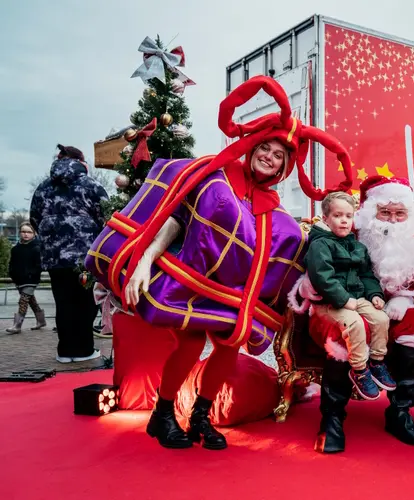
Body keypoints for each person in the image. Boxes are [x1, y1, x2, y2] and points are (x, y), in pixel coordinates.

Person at [119, 76, 353, 450]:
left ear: (284, 167)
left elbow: (281, 256)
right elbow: (177, 215)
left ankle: (200, 416)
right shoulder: (216, 178)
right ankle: (161, 415)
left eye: (279, 156)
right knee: (192, 345)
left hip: (230, 298)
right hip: (188, 284)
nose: (270, 158)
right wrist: (145, 258)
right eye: (266, 149)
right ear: (252, 148)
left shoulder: (275, 213)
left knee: (229, 349)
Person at [296, 176, 414, 452]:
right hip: (346, 304)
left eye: (400, 213)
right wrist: (311, 284)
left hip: (397, 305)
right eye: (385, 212)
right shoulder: (352, 235)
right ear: (371, 213)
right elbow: (321, 267)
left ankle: (400, 413)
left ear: (410, 215)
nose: (393, 220)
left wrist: (405, 298)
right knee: (347, 330)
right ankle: (332, 418)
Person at [305, 191, 394, 400]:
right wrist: (344, 300)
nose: (344, 220)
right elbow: (321, 277)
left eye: (348, 216)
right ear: (325, 219)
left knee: (381, 318)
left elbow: (366, 274)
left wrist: (374, 294)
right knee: (354, 323)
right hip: (330, 302)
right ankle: (359, 369)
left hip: (357, 297)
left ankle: (377, 361)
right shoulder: (320, 245)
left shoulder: (357, 246)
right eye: (337, 216)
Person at [30, 145, 108, 363]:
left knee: (63, 302)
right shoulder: (90, 185)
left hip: (54, 256)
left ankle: (65, 351)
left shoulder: (43, 188)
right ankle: (83, 349)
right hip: (85, 255)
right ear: (81, 162)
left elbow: (34, 218)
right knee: (85, 301)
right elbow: (107, 215)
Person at [6, 222, 46, 334]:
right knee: (31, 301)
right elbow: (12, 263)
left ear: (34, 234)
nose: (26, 234)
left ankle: (17, 325)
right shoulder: (15, 249)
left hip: (31, 280)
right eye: (23, 232)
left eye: (29, 232)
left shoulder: (37, 248)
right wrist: (12, 273)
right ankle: (41, 321)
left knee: (23, 300)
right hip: (19, 280)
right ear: (19, 233)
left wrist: (31, 273)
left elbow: (40, 265)